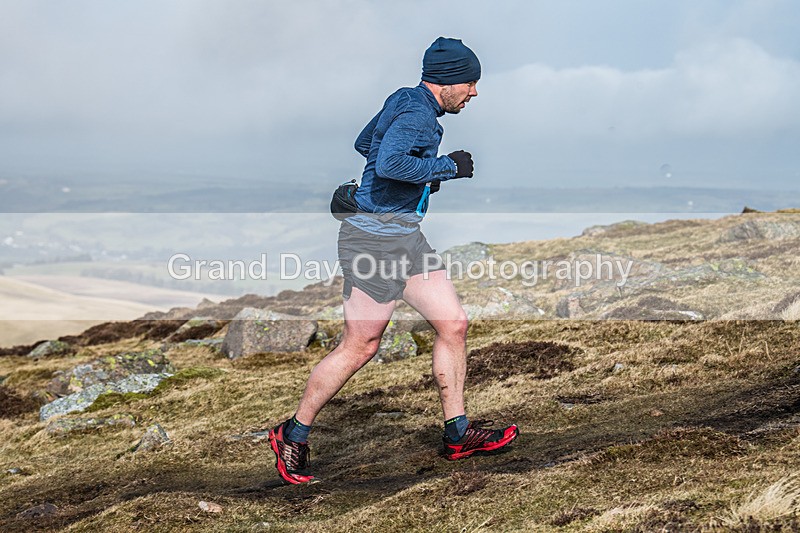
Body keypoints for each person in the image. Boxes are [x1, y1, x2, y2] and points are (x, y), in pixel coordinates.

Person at [269, 37, 518, 484]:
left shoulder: (403, 99)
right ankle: (293, 433)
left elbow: (367, 143)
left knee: (454, 324)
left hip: (405, 238)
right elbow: (388, 164)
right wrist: (446, 167)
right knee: (361, 346)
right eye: (470, 82)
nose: (474, 93)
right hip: (372, 244)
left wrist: (415, 183)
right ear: (445, 82)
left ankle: (458, 434)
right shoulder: (420, 114)